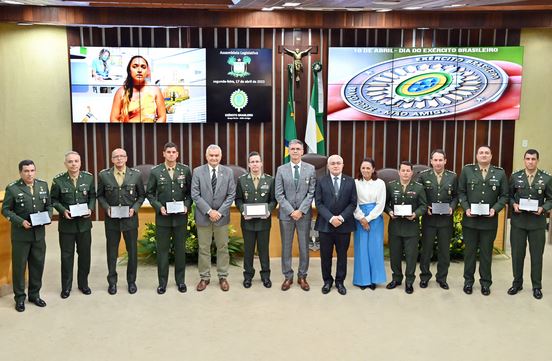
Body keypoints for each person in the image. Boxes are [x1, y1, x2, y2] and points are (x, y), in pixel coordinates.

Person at [458, 145, 508, 296]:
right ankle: (468, 282)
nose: (484, 155)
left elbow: (505, 196)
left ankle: (485, 283)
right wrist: (466, 208)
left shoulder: (500, 173)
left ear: (491, 156)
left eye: (487, 153)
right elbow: (461, 192)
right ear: (476, 156)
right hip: (470, 221)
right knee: (470, 253)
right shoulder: (467, 170)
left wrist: (495, 209)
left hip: (489, 221)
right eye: (481, 153)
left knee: (486, 254)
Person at [2, 160, 52, 312]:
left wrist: (48, 216)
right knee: (19, 267)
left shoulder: (42, 185)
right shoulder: (12, 188)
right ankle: (20, 298)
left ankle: (34, 295)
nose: (29, 174)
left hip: (38, 235)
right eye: (26, 171)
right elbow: (5, 210)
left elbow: (48, 205)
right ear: (20, 172)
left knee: (37, 265)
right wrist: (20, 221)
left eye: (32, 170)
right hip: (21, 235)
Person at [97, 148, 145, 295]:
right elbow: (100, 196)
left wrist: (135, 208)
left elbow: (141, 196)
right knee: (112, 252)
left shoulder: (135, 175)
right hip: (111, 220)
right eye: (116, 157)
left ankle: (131, 282)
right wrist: (106, 208)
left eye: (122, 156)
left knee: (132, 251)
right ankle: (112, 282)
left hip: (130, 219)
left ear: (126, 158)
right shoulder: (104, 175)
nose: (119, 159)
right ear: (112, 159)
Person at [146, 142, 192, 294]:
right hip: (163, 218)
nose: (171, 154)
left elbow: (190, 193)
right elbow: (150, 194)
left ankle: (181, 282)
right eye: (168, 152)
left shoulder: (185, 170)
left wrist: (186, 205)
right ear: (163, 153)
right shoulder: (155, 171)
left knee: (180, 250)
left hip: (180, 218)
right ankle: (162, 283)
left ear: (177, 154)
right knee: (163, 251)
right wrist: (159, 207)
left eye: (174, 152)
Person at [50, 151, 96, 299]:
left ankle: (83, 284)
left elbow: (92, 196)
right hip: (67, 226)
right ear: (65, 164)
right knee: (67, 256)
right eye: (70, 161)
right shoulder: (58, 181)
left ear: (80, 162)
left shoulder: (88, 178)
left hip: (84, 225)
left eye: (76, 161)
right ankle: (66, 287)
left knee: (85, 255)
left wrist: (90, 208)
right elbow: (54, 200)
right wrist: (63, 211)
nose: (73, 164)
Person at [507, 149, 552, 300]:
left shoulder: (546, 178)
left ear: (537, 160)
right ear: (524, 160)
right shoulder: (515, 176)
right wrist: (513, 205)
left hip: (537, 223)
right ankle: (517, 283)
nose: (530, 162)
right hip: (519, 222)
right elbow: (509, 196)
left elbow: (550, 199)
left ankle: (536, 286)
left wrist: (543, 208)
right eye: (528, 159)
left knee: (537, 256)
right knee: (517, 255)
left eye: (533, 159)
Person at [191, 144, 236, 292]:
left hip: (221, 218)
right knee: (204, 248)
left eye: (216, 156)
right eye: (211, 155)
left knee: (222, 247)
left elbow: (231, 195)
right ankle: (204, 277)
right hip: (204, 217)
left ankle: (223, 276)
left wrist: (219, 212)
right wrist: (209, 211)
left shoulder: (228, 172)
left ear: (220, 156)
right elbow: (195, 195)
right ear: (206, 156)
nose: (214, 158)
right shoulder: (198, 171)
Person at [275, 139, 316, 291]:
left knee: (304, 247)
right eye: (292, 149)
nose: (295, 151)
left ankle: (302, 276)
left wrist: (301, 210)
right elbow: (279, 194)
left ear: (302, 151)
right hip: (286, 215)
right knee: (286, 246)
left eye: (298, 149)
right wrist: (291, 211)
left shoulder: (310, 169)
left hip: (304, 215)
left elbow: (312, 192)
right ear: (289, 151)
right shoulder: (281, 169)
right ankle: (288, 276)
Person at [314, 155, 357, 295]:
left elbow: (353, 203)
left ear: (343, 165)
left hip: (344, 226)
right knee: (325, 256)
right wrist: (331, 218)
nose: (336, 165)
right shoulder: (321, 181)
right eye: (332, 163)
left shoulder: (350, 181)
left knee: (342, 256)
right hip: (326, 225)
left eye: (338, 163)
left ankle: (340, 282)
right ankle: (327, 281)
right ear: (328, 166)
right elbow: (318, 203)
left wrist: (342, 218)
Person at [235, 151, 276, 289]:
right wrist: (242, 211)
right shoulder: (241, 180)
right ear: (248, 164)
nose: (255, 164)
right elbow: (238, 199)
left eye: (257, 161)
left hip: (264, 222)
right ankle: (248, 276)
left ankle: (265, 276)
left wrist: (269, 210)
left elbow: (273, 200)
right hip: (247, 222)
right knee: (248, 250)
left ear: (261, 163)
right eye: (252, 162)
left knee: (264, 250)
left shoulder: (270, 180)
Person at [417, 149, 457, 290]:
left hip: (446, 220)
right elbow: (419, 194)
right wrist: (425, 206)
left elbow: (456, 196)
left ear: (445, 161)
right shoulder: (423, 176)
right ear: (431, 161)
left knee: (444, 251)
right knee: (426, 250)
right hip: (429, 219)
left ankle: (442, 278)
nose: (438, 163)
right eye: (435, 160)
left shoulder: (452, 177)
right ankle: (425, 277)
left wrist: (452, 207)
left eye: (441, 160)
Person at [385, 161, 427, 294]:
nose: (405, 173)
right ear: (399, 172)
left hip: (411, 228)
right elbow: (385, 204)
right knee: (395, 256)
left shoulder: (419, 187)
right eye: (403, 170)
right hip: (395, 227)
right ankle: (396, 278)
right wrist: (390, 212)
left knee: (411, 257)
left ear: (412, 172)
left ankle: (409, 281)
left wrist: (416, 214)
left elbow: (423, 206)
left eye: (408, 171)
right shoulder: (391, 186)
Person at [352, 158, 387, 290]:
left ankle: (374, 280)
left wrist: (369, 218)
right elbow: (353, 202)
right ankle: (362, 280)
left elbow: (380, 204)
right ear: (360, 169)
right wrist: (361, 218)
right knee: (361, 249)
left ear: (373, 169)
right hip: (359, 217)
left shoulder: (380, 183)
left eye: (368, 168)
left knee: (374, 248)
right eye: (363, 168)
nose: (365, 170)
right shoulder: (355, 183)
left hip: (375, 218)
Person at [109, 55, 166, 123]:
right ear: (129, 70)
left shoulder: (155, 91)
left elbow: (162, 117)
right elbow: (113, 119)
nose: (139, 70)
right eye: (135, 66)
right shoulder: (121, 92)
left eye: (143, 67)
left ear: (147, 71)